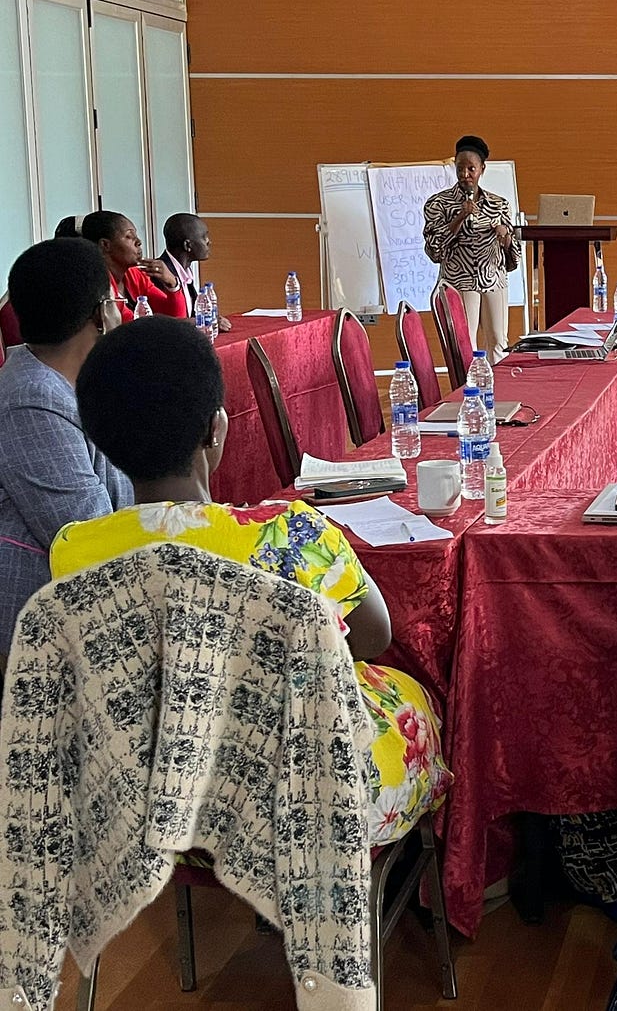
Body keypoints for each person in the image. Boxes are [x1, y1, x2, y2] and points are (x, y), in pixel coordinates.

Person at [51, 315, 452, 841]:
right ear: (215, 428)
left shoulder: (74, 550)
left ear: (101, 442)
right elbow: (376, 635)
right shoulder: (287, 531)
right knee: (413, 696)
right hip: (302, 804)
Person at [0, 239, 131, 661]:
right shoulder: (31, 399)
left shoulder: (73, 383)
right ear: (101, 315)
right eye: (116, 302)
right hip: (46, 637)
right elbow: (88, 536)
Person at [422, 135, 518, 364]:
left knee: (499, 342)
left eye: (471, 169)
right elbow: (434, 248)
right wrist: (460, 216)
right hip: (459, 280)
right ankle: (471, 385)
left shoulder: (498, 204)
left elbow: (512, 253)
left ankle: (499, 384)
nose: (465, 174)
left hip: (494, 279)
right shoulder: (438, 203)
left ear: (482, 169)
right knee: (466, 345)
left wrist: (505, 236)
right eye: (460, 169)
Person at [80, 210, 188, 322]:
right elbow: (129, 325)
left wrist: (172, 283)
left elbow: (175, 316)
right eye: (129, 236)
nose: (139, 242)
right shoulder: (98, 282)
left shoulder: (135, 275)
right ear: (105, 245)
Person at [160, 212, 231, 332]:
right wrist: (203, 322)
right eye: (204, 237)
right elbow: (162, 322)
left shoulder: (185, 272)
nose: (209, 242)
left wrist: (212, 320)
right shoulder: (161, 275)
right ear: (187, 245)